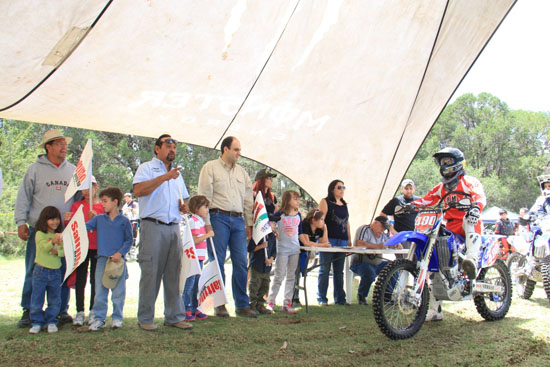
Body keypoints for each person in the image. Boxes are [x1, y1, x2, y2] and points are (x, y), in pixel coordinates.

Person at [412, 147, 486, 321]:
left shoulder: (468, 181)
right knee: (434, 263)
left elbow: (479, 196)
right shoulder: (441, 187)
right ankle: (435, 309)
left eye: (448, 162)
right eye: (442, 162)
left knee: (469, 219)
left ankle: (472, 260)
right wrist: (411, 205)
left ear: (458, 163)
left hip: (469, 225)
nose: (444, 165)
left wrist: (476, 208)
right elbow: (427, 199)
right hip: (451, 228)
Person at [15, 129, 77, 328]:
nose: (63, 147)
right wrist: (20, 222)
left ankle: (60, 309)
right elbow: (24, 196)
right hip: (39, 230)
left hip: (65, 231)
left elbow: (78, 199)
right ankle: (29, 310)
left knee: (63, 270)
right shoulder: (34, 169)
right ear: (48, 147)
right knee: (35, 269)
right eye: (59, 144)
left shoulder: (73, 170)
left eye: (64, 144)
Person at [133, 134, 192, 331]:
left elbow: (184, 199)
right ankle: (145, 318)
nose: (172, 149)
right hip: (152, 226)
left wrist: (184, 207)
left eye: (174, 146)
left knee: (174, 274)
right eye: (168, 145)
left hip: (173, 227)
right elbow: (138, 190)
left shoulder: (178, 174)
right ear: (157, 148)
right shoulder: (146, 168)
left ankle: (174, 316)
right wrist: (165, 177)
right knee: (150, 272)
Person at [197, 136, 256, 318]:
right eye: (236, 149)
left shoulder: (242, 173)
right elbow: (204, 196)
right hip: (217, 217)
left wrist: (249, 224)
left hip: (238, 220)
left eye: (239, 150)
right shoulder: (210, 167)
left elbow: (248, 200)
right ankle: (219, 304)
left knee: (240, 262)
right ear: (225, 149)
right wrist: (206, 224)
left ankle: (242, 305)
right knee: (217, 261)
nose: (239, 153)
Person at [85, 187, 133, 331]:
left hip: (118, 261)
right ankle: (99, 318)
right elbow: (85, 228)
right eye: (102, 201)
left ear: (115, 202)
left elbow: (129, 240)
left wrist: (121, 253)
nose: (102, 204)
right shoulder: (99, 219)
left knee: (118, 292)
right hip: (102, 260)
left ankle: (117, 317)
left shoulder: (124, 221)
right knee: (100, 290)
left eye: (105, 201)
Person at [64, 176, 104, 326]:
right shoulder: (77, 205)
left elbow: (107, 225)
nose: (86, 192)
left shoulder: (101, 207)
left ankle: (94, 310)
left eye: (89, 187)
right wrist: (68, 219)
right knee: (80, 279)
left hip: (98, 246)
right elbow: (71, 225)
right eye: (83, 189)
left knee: (95, 279)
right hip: (82, 246)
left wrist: (98, 218)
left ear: (96, 187)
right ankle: (80, 311)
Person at [28, 206, 65, 334]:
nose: (55, 222)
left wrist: (57, 250)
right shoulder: (39, 234)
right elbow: (43, 248)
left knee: (55, 298)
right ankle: (37, 322)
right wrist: (52, 243)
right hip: (40, 271)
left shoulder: (60, 235)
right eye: (52, 219)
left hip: (56, 271)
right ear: (45, 220)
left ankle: (52, 321)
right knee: (37, 297)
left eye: (57, 219)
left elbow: (63, 251)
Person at [350, 216, 402, 305]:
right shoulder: (364, 229)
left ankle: (387, 295)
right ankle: (362, 295)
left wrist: (396, 244)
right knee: (369, 272)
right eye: (382, 227)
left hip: (377, 263)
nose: (382, 230)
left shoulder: (382, 234)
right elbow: (360, 243)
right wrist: (377, 246)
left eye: (384, 228)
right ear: (375, 223)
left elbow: (389, 243)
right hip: (361, 262)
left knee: (394, 268)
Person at [247, 168, 279, 315]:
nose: (271, 180)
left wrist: (274, 228)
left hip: (269, 233)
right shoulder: (254, 195)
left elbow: (275, 214)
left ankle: (261, 303)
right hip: (257, 232)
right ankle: (251, 302)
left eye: (272, 178)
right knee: (255, 273)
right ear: (261, 179)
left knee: (265, 277)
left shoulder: (272, 198)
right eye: (268, 178)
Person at [266, 190, 302, 314]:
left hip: (295, 250)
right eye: (295, 199)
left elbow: (300, 233)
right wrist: (273, 230)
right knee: (279, 275)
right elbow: (270, 223)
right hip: (282, 250)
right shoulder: (279, 214)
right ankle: (271, 301)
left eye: (298, 199)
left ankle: (287, 303)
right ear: (287, 201)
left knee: (291, 276)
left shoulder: (298, 215)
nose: (298, 202)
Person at [317, 180, 351, 306]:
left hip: (342, 240)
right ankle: (322, 298)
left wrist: (349, 239)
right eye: (339, 187)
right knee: (324, 269)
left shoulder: (344, 204)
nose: (342, 189)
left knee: (339, 270)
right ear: (332, 189)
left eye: (343, 187)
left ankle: (340, 299)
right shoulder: (325, 202)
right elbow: (319, 219)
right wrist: (322, 238)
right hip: (328, 239)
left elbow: (347, 222)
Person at [183, 195, 214, 322]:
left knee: (196, 284)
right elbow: (194, 240)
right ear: (196, 208)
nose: (207, 210)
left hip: (200, 258)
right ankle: (186, 308)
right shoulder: (194, 221)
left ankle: (195, 308)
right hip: (193, 258)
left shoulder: (201, 221)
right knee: (190, 285)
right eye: (205, 207)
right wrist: (207, 235)